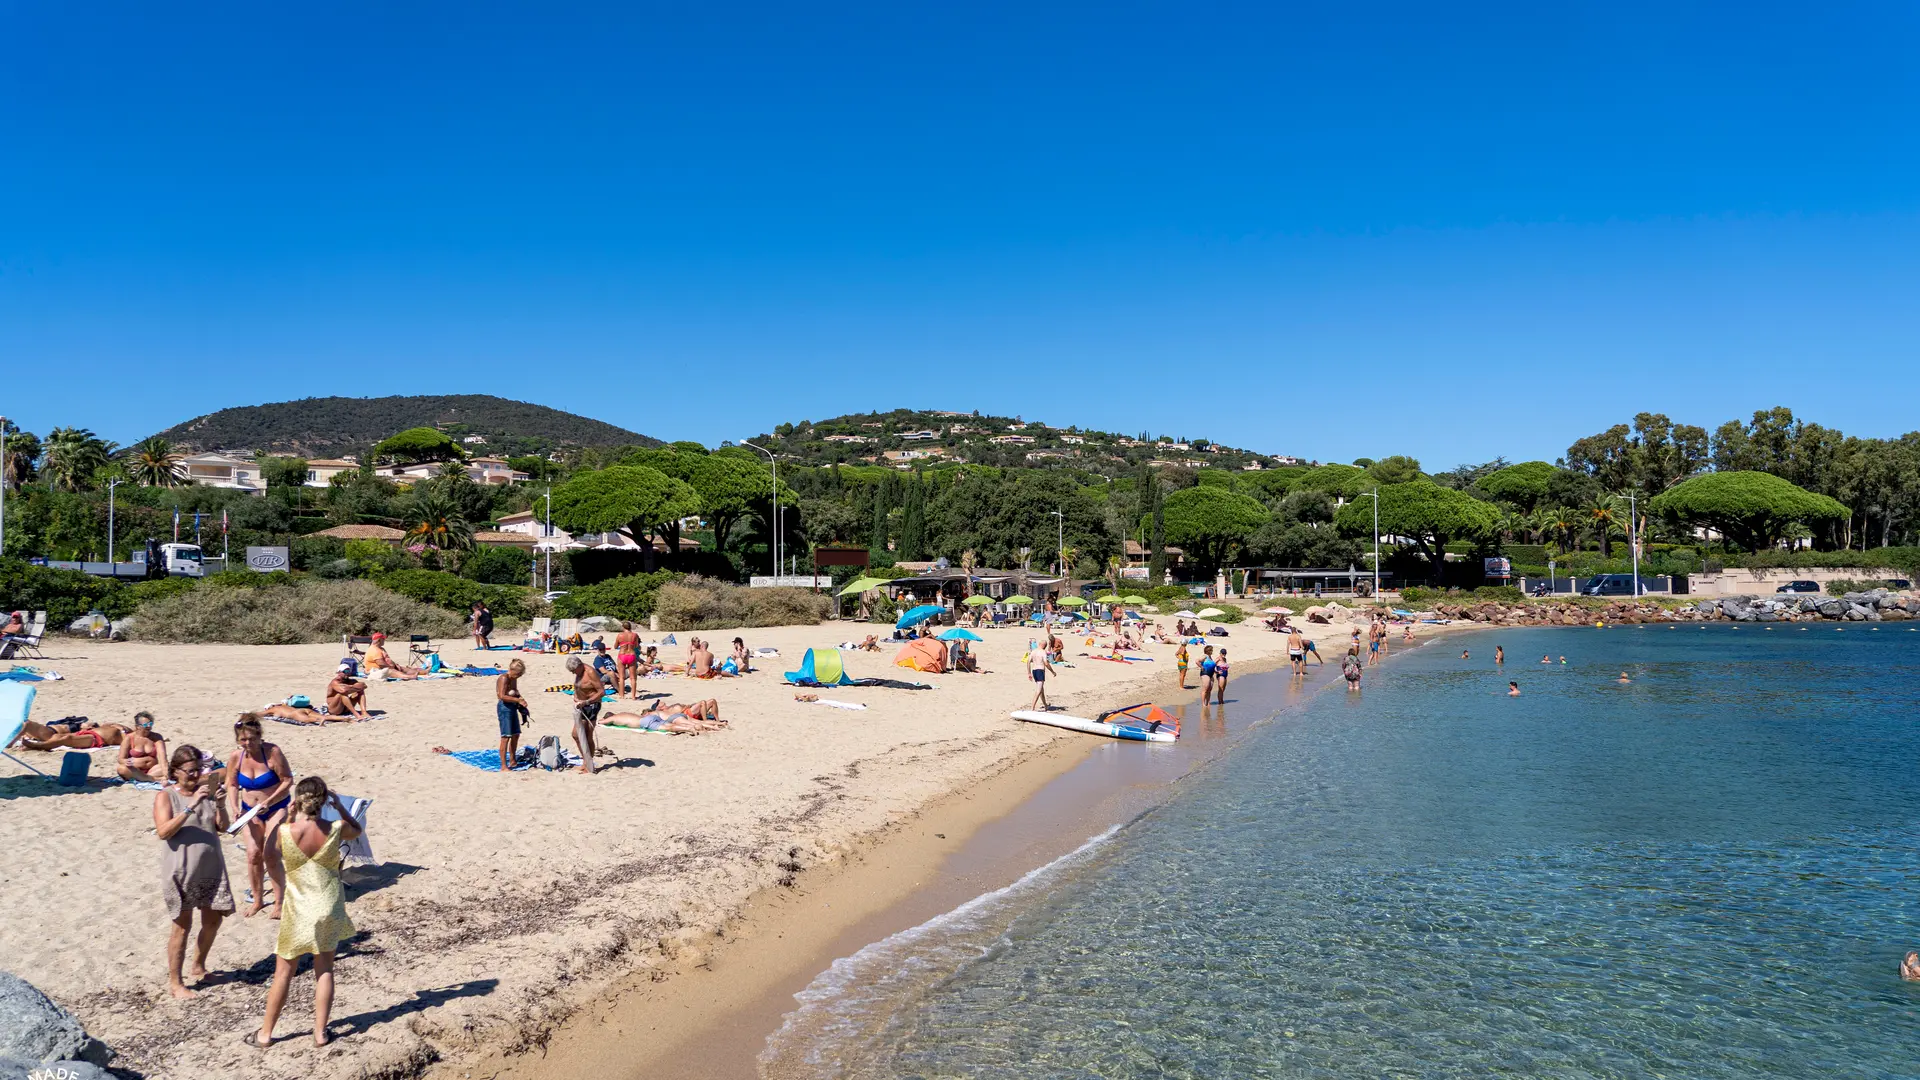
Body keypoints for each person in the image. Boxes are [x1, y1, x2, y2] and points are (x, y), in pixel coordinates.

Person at [246, 776, 361, 1050]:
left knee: (284, 973)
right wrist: (340, 807)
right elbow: (356, 829)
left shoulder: (287, 832)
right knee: (325, 970)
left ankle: (266, 1034)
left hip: (299, 907)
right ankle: (320, 1033)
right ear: (324, 802)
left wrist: (285, 817)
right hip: (328, 904)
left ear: (298, 801)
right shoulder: (335, 828)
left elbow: (268, 854)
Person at [153, 744, 234, 999]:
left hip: (210, 867)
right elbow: (163, 831)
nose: (194, 775)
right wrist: (191, 806)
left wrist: (220, 805)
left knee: (213, 920)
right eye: (189, 770)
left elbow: (223, 827)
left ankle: (199, 966)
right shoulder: (166, 796)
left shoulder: (206, 792)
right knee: (182, 926)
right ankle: (176, 983)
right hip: (181, 870)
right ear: (176, 771)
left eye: (198, 770)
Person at [226, 715, 293, 919]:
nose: (248, 743)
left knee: (270, 854)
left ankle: (279, 902)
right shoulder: (236, 757)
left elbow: (288, 780)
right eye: (243, 740)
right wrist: (235, 806)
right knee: (253, 854)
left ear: (259, 736)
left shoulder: (272, 752)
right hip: (249, 810)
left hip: (276, 807)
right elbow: (232, 784)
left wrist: (269, 801)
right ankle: (258, 900)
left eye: (251, 739)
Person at [565, 656, 604, 775]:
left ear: (579, 666)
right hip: (580, 706)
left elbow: (602, 691)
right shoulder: (579, 672)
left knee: (586, 735)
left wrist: (586, 702)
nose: (572, 673)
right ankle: (586, 761)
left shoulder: (590, 672)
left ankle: (589, 764)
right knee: (576, 735)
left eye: (573, 671)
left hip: (591, 706)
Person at [16, 718, 130, 752]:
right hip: (89, 732)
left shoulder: (130, 736)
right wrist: (116, 724)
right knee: (56, 737)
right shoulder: (121, 727)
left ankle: (37, 746)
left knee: (67, 738)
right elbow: (107, 723)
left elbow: (127, 741)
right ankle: (37, 746)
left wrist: (123, 731)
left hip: (97, 739)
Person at [496, 659, 530, 771]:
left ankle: (512, 759)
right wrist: (517, 700)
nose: (518, 676)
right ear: (512, 670)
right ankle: (503, 765)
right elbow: (501, 696)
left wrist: (521, 700)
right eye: (517, 674)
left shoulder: (513, 679)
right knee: (506, 736)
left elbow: (515, 690)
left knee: (516, 734)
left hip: (512, 706)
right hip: (504, 708)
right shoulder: (504, 678)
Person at [117, 711, 169, 781]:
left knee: (169, 767)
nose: (149, 726)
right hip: (135, 770)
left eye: (150, 724)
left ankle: (146, 778)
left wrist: (166, 773)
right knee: (121, 769)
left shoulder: (157, 737)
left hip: (153, 770)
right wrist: (125, 762)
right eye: (145, 724)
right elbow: (120, 759)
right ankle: (150, 778)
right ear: (137, 726)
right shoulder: (129, 738)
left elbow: (163, 759)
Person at [614, 623, 642, 698]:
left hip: (622, 655)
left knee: (621, 677)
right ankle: (633, 696)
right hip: (631, 655)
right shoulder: (635, 635)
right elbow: (636, 645)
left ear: (623, 627)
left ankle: (622, 695)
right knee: (633, 678)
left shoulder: (620, 635)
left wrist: (622, 644)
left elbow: (615, 646)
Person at [1026, 638, 1055, 711]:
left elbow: (1028, 662)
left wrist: (1029, 673)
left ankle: (1045, 705)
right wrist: (1052, 671)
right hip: (1040, 671)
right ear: (1045, 646)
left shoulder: (1033, 651)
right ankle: (1032, 708)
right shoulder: (1043, 652)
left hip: (1034, 671)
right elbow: (1046, 663)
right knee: (1039, 690)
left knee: (1042, 690)